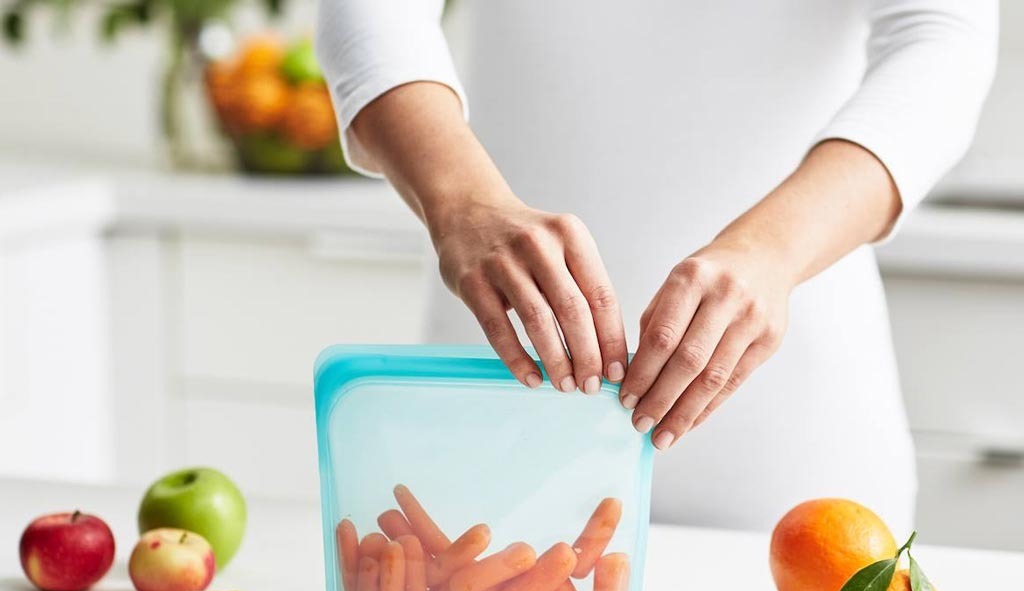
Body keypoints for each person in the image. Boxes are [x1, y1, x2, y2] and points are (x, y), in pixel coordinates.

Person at [315, 0, 997, 534]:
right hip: (495, 421)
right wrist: (462, 202)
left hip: (790, 463)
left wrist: (772, 252)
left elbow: (944, 37)